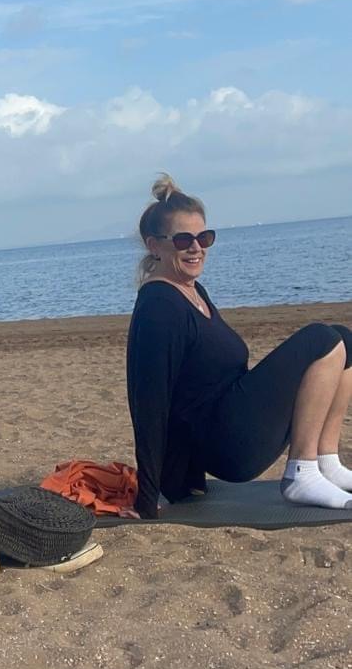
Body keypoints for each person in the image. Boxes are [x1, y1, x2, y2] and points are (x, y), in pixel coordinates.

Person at [127, 175, 352, 521]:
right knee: (321, 339)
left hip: (235, 422)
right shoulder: (159, 305)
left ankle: (326, 462)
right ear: (155, 245)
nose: (196, 248)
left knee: (345, 341)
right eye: (184, 239)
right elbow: (149, 401)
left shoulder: (193, 291)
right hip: (227, 442)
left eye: (204, 238)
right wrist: (149, 494)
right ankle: (301, 474)